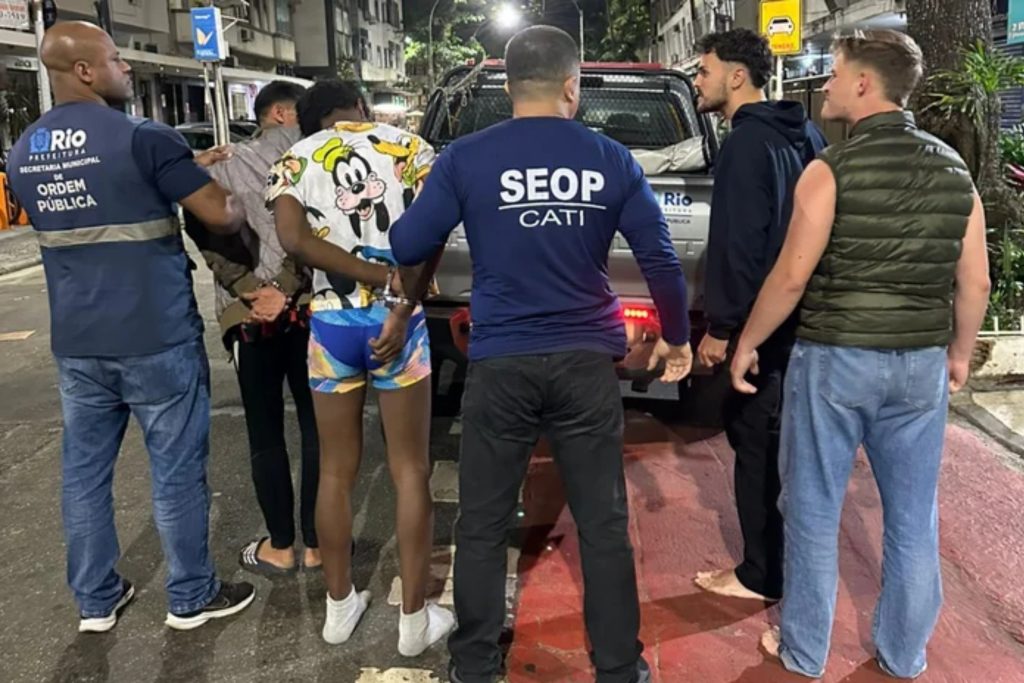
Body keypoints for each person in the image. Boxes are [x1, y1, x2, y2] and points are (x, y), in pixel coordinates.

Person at [388, 26, 693, 683]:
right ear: (572, 87)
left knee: (482, 524)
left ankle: (474, 666)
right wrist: (677, 335)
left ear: (508, 88)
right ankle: (619, 666)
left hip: (502, 363)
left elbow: (407, 242)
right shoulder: (611, 159)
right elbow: (660, 259)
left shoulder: (467, 158)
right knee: (603, 523)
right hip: (586, 363)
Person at [730, 30, 990, 678]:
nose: (826, 84)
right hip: (919, 364)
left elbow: (792, 275)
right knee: (913, 517)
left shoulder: (830, 169)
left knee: (813, 507)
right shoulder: (954, 171)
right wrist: (959, 353)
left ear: (865, 84)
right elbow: (976, 281)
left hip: (836, 360)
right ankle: (903, 654)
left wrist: (748, 342)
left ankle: (805, 650)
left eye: (835, 73)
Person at [5, 21, 256, 633]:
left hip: (78, 342)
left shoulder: (24, 151)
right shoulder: (144, 136)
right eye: (116, 60)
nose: (125, 69)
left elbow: (101, 196)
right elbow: (220, 215)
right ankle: (190, 595)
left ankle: (96, 600)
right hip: (155, 334)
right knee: (176, 469)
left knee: (84, 475)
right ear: (85, 70)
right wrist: (236, 193)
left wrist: (177, 167)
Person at [266, 80, 455, 655]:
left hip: (331, 324)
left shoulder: (295, 158)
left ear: (308, 122)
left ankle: (338, 608)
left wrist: (367, 275)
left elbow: (292, 239)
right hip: (399, 318)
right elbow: (435, 232)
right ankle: (413, 623)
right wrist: (399, 291)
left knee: (334, 473)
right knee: (410, 470)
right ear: (362, 107)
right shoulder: (412, 149)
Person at [691, 29, 827, 602]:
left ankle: (761, 575)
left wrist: (723, 329)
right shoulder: (806, 133)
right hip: (804, 319)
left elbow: (738, 245)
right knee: (783, 449)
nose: (697, 81)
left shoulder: (746, 144)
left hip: (760, 325)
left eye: (704, 71)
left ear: (737, 76)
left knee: (755, 445)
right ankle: (777, 566)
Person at [184, 81, 323, 575]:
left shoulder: (219, 164)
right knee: (317, 427)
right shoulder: (314, 159)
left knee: (264, 431)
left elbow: (202, 229)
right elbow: (317, 231)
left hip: (247, 319)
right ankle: (319, 545)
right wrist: (285, 287)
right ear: (282, 113)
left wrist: (249, 287)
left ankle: (281, 547)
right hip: (309, 310)